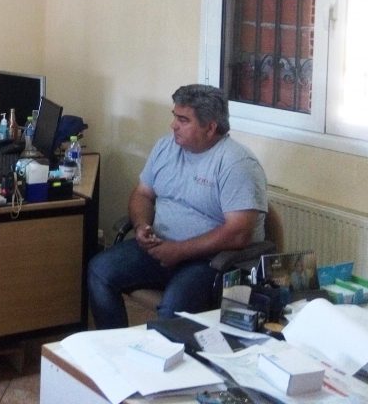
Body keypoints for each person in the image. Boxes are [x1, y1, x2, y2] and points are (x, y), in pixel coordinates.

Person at [87, 84, 267, 329]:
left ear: (210, 128)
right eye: (175, 117)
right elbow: (142, 194)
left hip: (211, 261)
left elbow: (238, 233)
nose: (173, 125)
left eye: (183, 120)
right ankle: (114, 343)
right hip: (161, 247)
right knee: (99, 270)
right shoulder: (166, 147)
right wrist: (141, 225)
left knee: (173, 309)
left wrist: (180, 250)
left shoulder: (237, 164)